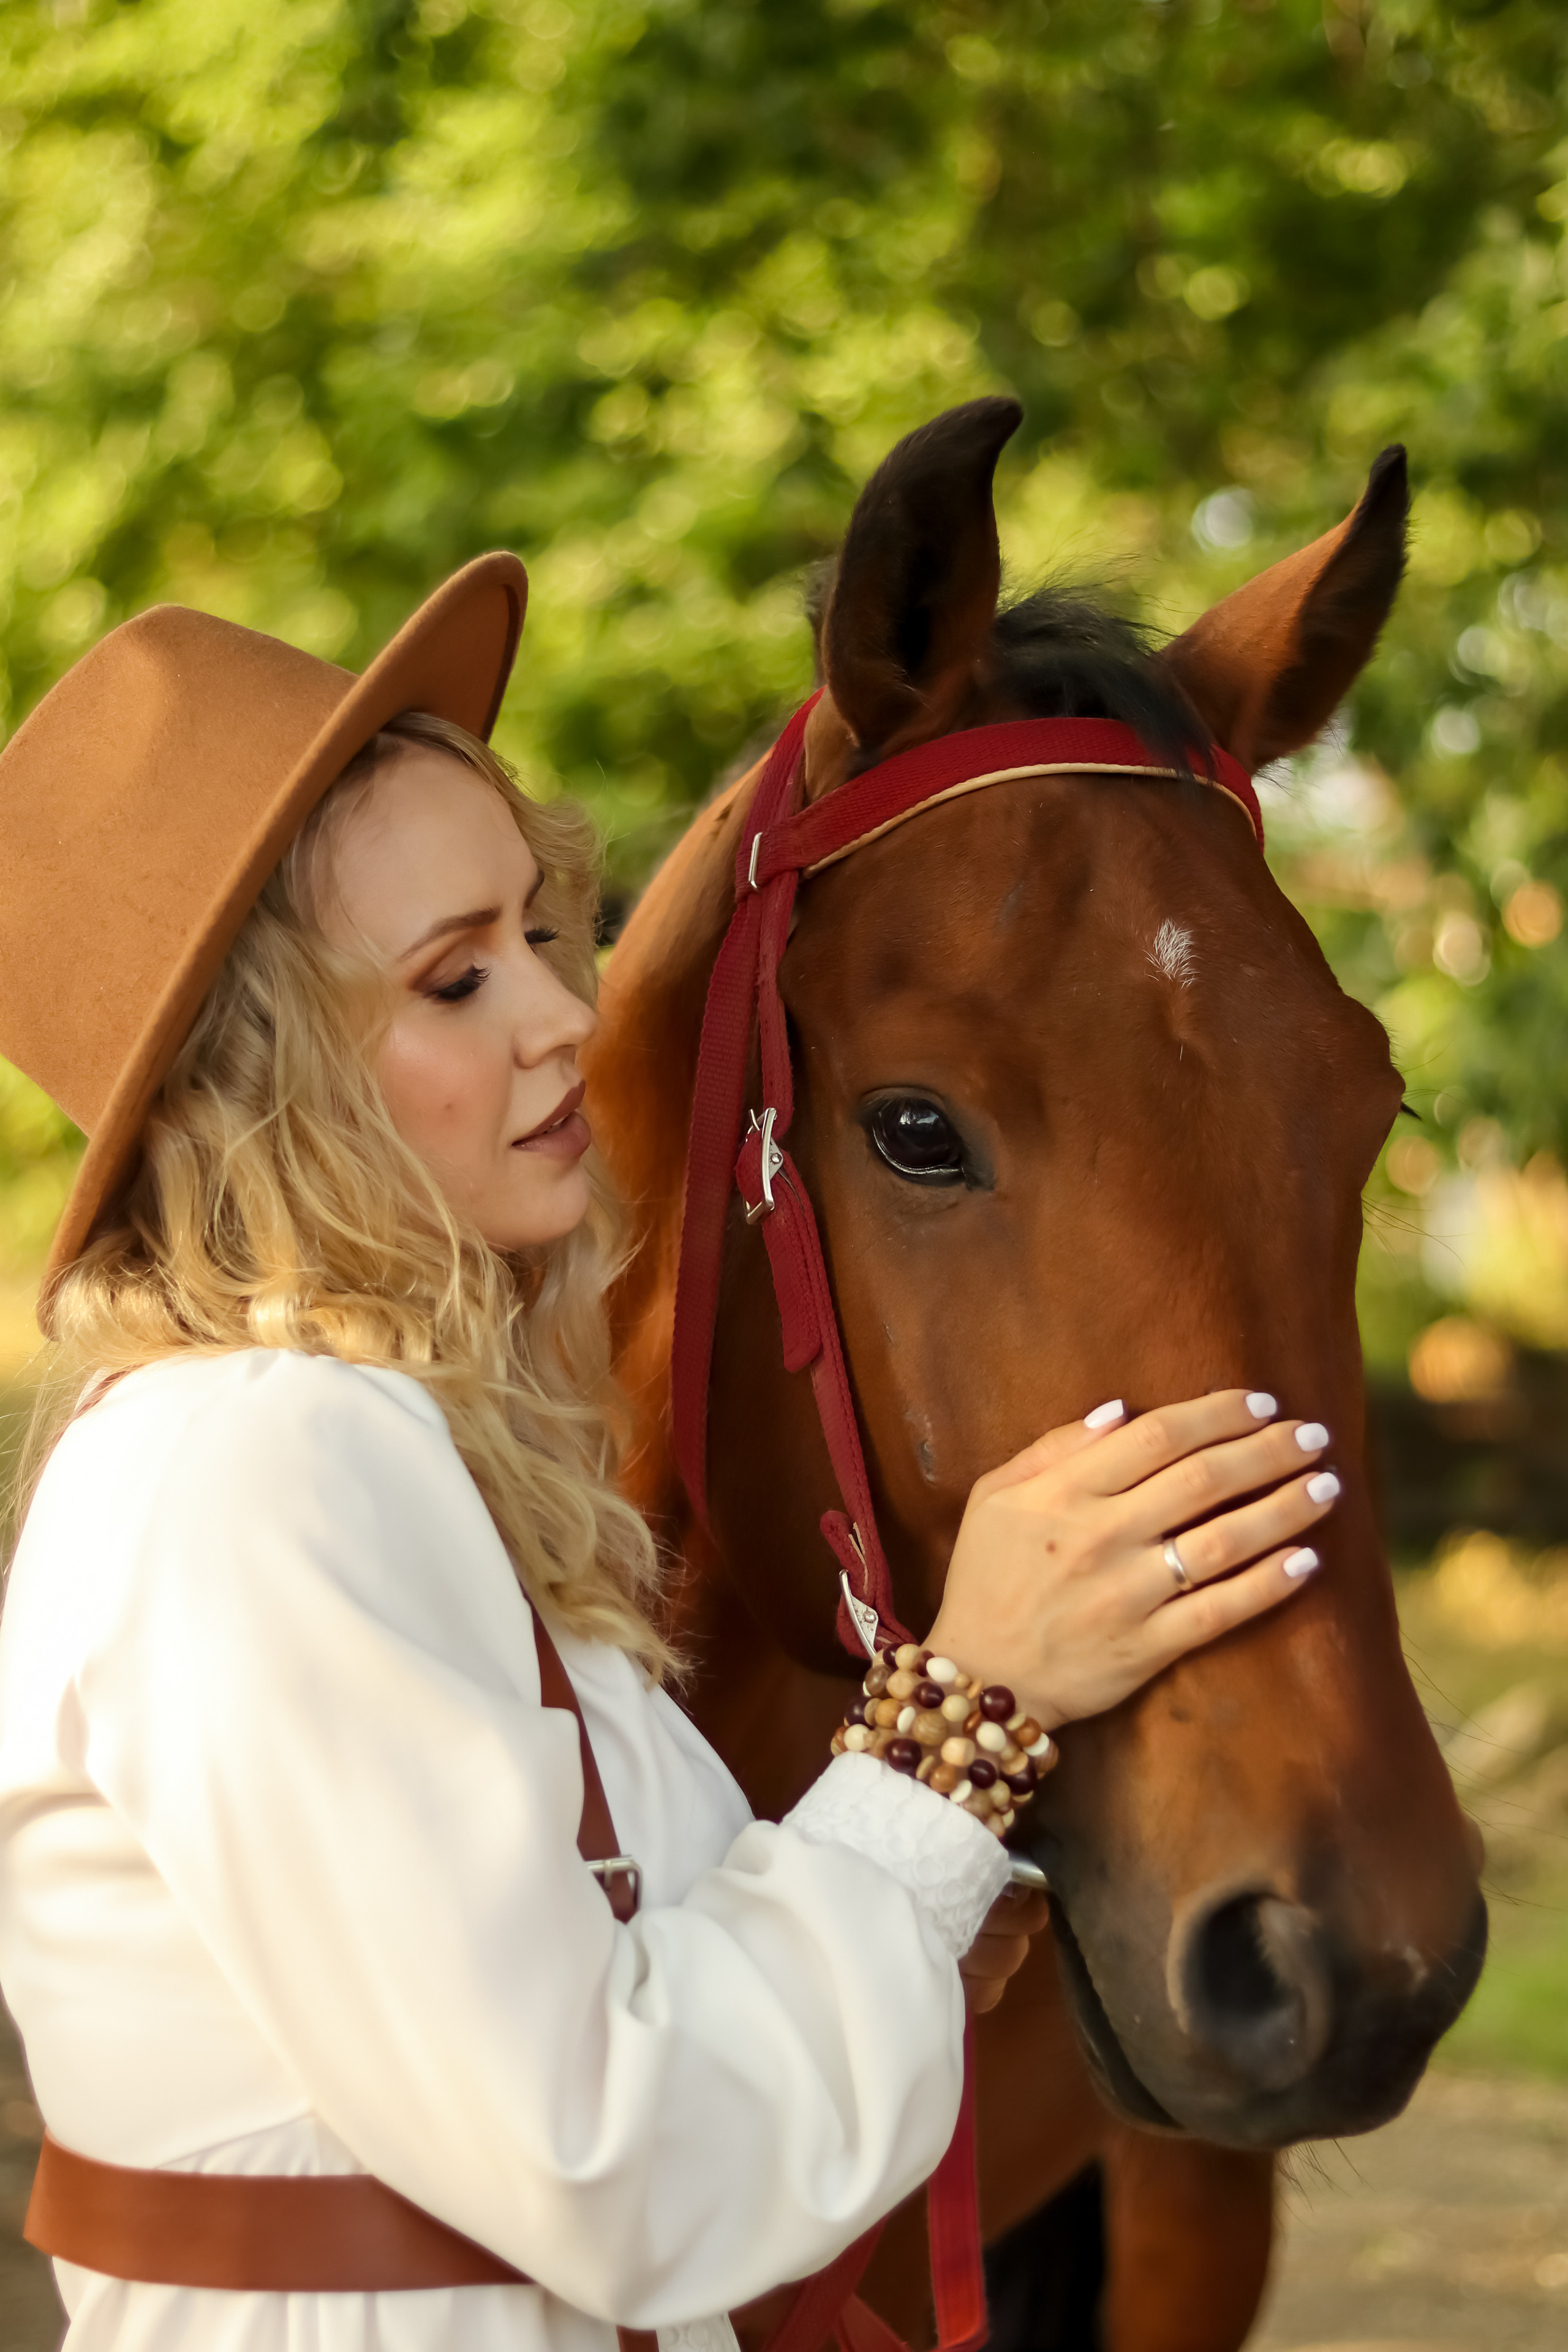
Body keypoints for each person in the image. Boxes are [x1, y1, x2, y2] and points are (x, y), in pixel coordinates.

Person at [0, 555, 1339, 2352]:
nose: (561, 1012)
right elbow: (613, 2166)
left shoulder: (366, 1448)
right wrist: (964, 1714)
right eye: (453, 979)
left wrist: (919, 1890)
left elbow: (623, 2027)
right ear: (263, 1084)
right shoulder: (258, 1466)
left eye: (535, 935)